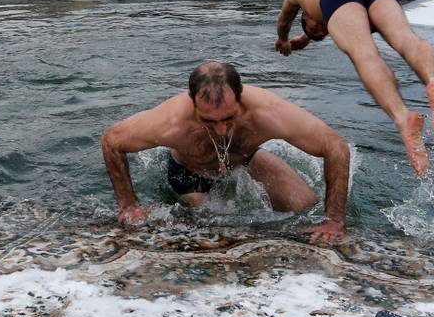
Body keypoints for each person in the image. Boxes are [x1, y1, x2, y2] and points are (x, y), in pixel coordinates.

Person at [101, 62, 350, 243]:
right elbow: (111, 140)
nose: (220, 130)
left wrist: (334, 220)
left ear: (240, 98)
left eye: (229, 118)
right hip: (190, 174)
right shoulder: (170, 122)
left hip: (245, 160)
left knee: (305, 206)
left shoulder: (268, 112)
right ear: (193, 102)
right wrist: (128, 205)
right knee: (218, 229)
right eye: (208, 120)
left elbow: (335, 147)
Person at [274, 0, 434, 177]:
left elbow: (284, 19)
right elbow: (324, 18)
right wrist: (306, 37)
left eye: (314, 28)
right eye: (322, 33)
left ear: (305, 15)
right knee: (407, 39)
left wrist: (283, 40)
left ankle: (402, 118)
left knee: (364, 54)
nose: (320, 29)